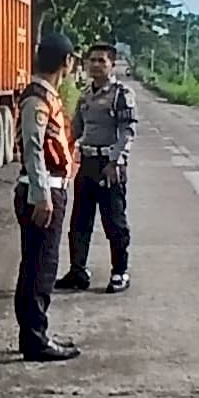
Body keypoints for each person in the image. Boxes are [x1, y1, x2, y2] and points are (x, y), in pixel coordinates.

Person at [15, 32, 81, 362]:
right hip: (41, 191)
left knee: (40, 265)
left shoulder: (47, 95)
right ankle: (35, 339)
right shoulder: (37, 98)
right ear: (66, 62)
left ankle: (37, 333)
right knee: (39, 269)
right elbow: (33, 148)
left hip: (50, 188)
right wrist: (42, 196)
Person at [60, 43, 136, 294]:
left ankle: (120, 272)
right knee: (80, 221)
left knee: (114, 222)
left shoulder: (121, 94)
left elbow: (127, 131)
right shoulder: (85, 94)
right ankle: (78, 271)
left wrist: (116, 161)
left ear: (112, 64)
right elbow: (76, 129)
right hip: (88, 163)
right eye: (92, 60)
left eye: (101, 61)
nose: (95, 65)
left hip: (109, 165)